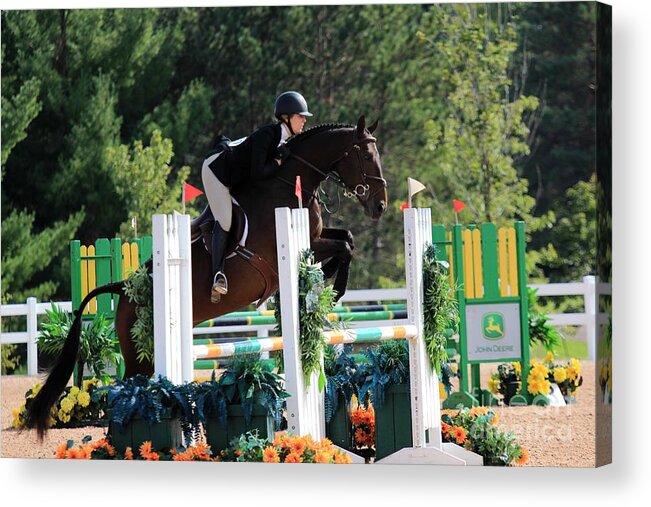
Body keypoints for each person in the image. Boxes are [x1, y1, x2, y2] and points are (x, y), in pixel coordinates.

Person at [201, 91, 313, 303]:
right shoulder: (267, 136)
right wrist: (278, 163)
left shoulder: (284, 140)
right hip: (216, 171)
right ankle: (218, 275)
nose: (304, 120)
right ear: (287, 117)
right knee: (225, 220)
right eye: (301, 116)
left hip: (236, 176)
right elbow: (258, 173)